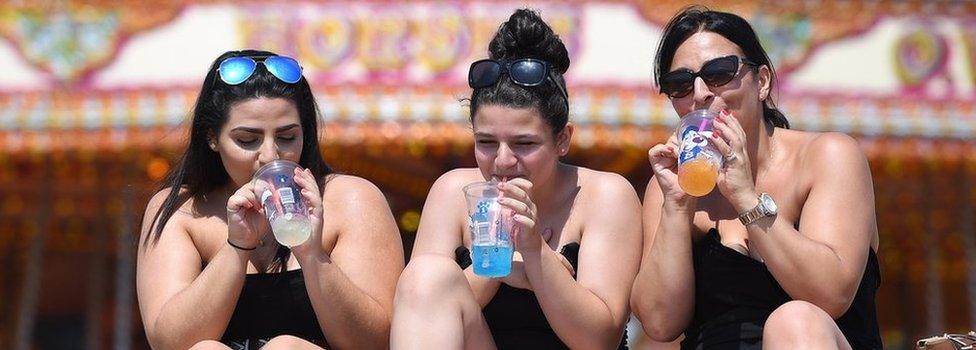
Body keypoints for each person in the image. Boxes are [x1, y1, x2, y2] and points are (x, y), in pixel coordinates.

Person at [630, 7, 882, 350]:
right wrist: (676, 208)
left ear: (761, 82)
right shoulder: (669, 188)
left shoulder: (827, 156)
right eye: (680, 84)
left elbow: (830, 294)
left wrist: (746, 199)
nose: (700, 93)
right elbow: (660, 323)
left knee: (793, 322)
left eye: (719, 73)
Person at [389, 9, 642, 349]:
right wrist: (500, 262)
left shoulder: (605, 195)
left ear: (563, 139)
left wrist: (536, 252)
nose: (503, 160)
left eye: (524, 144)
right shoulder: (452, 191)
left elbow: (599, 339)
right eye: (486, 142)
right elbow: (421, 310)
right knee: (426, 275)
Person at [136, 50, 404, 350]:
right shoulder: (182, 211)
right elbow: (171, 343)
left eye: (287, 137)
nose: (270, 155)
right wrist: (236, 247)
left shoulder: (351, 199)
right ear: (212, 138)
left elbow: (375, 341)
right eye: (247, 140)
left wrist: (312, 255)